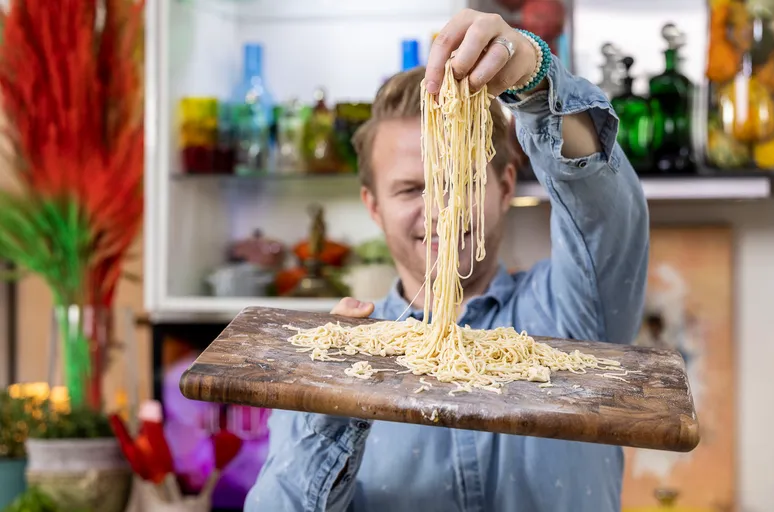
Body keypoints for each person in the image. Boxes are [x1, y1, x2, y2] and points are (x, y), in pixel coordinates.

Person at [245, 9, 649, 512]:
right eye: (412, 188)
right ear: (373, 205)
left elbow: (605, 215)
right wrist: (334, 399)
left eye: (459, 179)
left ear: (504, 188)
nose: (439, 207)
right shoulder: (333, 357)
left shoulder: (574, 314)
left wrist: (536, 81)